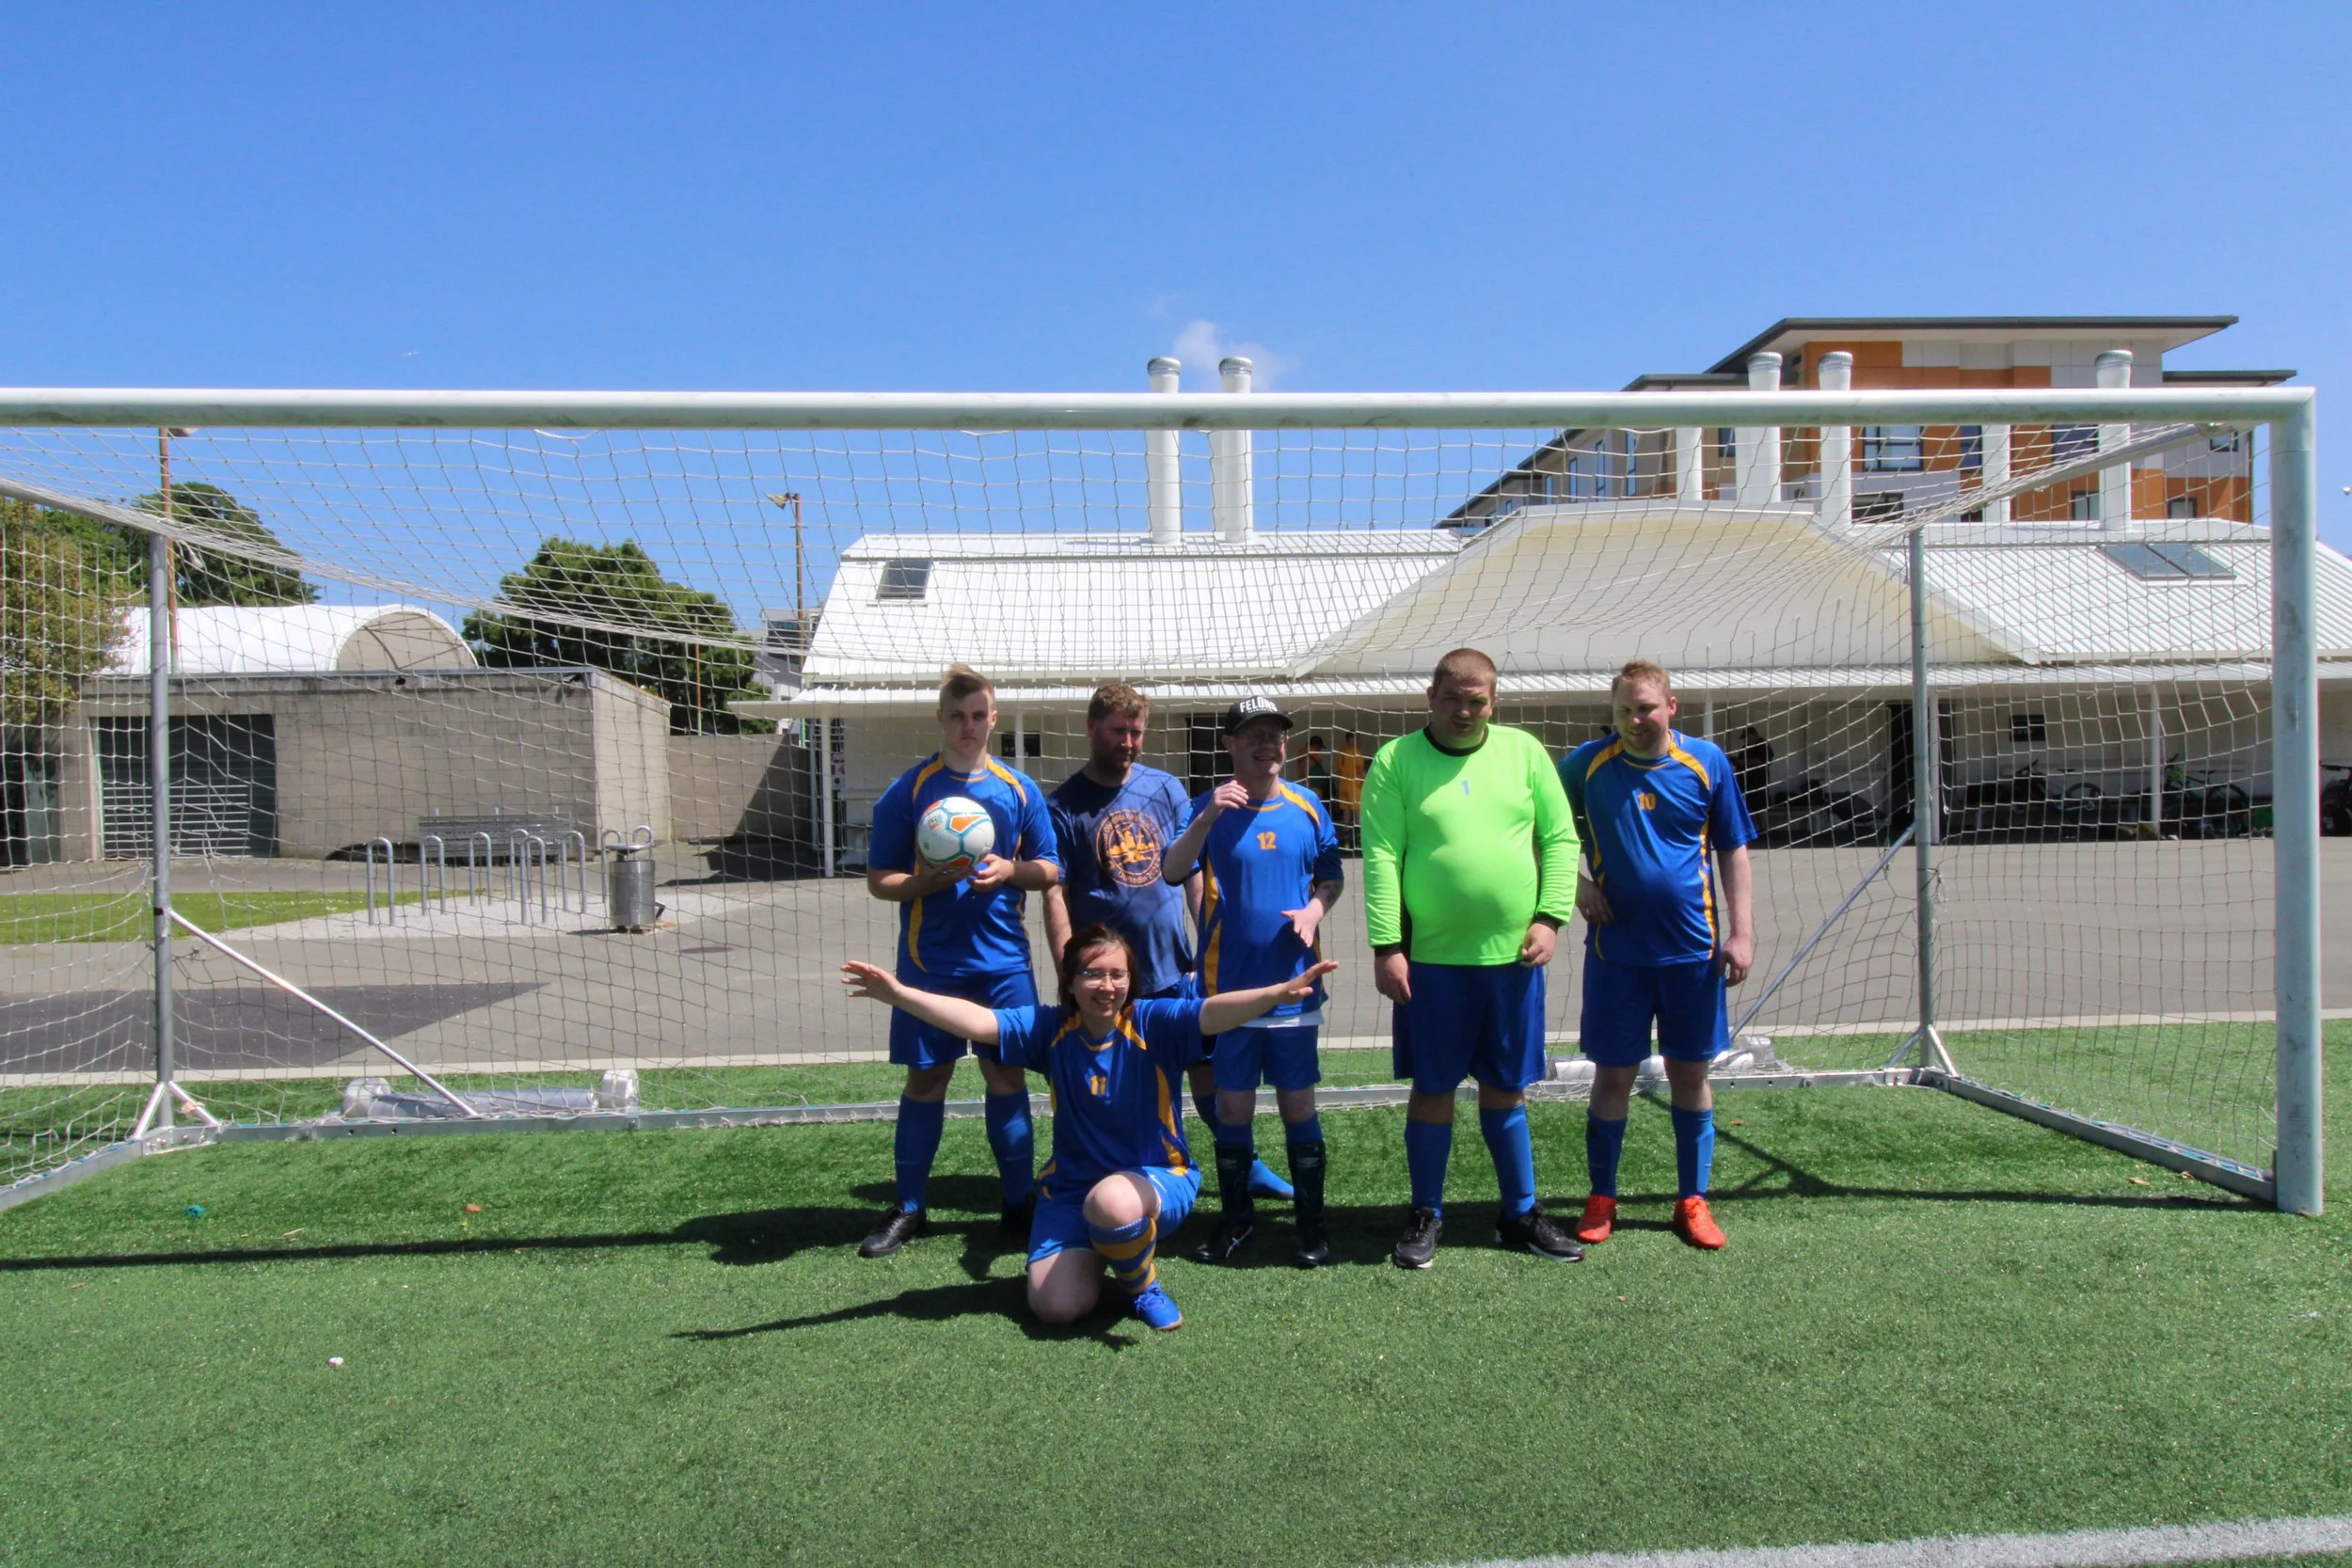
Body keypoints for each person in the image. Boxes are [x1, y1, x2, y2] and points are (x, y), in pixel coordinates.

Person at [842, 927, 1338, 1330]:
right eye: (1094, 974)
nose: (1108, 986)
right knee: (1056, 1308)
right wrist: (900, 994)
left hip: (1157, 1180)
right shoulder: (1049, 1029)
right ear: (1072, 982)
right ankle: (1114, 1248)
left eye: (1118, 975)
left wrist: (1277, 993)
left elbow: (1212, 1012)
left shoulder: (1153, 1022)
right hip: (1069, 1193)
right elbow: (979, 1023)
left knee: (1112, 1202)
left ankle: (1141, 1285)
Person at [1360, 648, 1584, 1269]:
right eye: (1453, 697)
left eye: (1477, 699)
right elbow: (1380, 856)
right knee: (1433, 1088)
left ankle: (1519, 1212)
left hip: (1511, 959)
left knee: (1505, 1088)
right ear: (1429, 695)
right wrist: (1387, 946)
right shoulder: (1395, 761)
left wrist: (1550, 916)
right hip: (1429, 961)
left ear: (1495, 699)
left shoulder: (1524, 753)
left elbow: (1561, 838)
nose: (1465, 710)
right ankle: (1426, 1210)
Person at [1041, 683, 1295, 1205]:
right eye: (1118, 731)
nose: (1129, 742)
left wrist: (1207, 941)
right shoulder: (1064, 804)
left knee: (1210, 1078)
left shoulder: (1164, 787)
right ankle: (1122, 1180)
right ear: (1092, 729)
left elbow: (1192, 869)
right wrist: (1072, 970)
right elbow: (1056, 894)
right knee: (1125, 1090)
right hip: (1112, 984)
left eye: (1137, 732)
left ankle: (1245, 1168)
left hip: (1174, 970)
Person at [858, 664, 1060, 1259]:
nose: (968, 726)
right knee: (927, 1079)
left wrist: (1010, 871)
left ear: (993, 720)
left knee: (1006, 1077)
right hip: (930, 964)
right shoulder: (911, 790)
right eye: (957, 715)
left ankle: (1019, 1203)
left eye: (978, 715)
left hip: (1002, 964)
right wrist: (923, 883)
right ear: (940, 719)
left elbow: (1050, 867)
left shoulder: (1018, 790)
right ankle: (910, 1207)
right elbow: (878, 880)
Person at [1560, 660, 1756, 1251]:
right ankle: (1602, 1199)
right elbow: (1532, 826)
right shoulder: (1587, 766)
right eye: (1623, 711)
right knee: (1613, 1077)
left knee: (1689, 1076)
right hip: (1616, 956)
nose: (1634, 721)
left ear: (1672, 706)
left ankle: (1692, 1200)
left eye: (1645, 709)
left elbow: (1733, 849)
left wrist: (1742, 933)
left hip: (1693, 954)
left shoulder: (1707, 762)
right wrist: (1574, 886)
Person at [1161, 696, 1344, 1267]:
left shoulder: (1309, 805)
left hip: (1294, 989)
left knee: (1298, 1108)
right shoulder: (1206, 808)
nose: (1268, 745)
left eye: (1276, 736)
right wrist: (1208, 815)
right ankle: (1238, 1221)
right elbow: (1171, 871)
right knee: (1234, 1110)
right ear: (1230, 745)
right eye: (1254, 736)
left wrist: (1316, 910)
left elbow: (1331, 879)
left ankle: (1311, 1228)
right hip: (1230, 995)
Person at [1333, 732, 1368, 851]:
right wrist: (1366, 784)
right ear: (1350, 739)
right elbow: (1360, 770)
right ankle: (1359, 843)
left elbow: (1338, 771)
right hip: (1354, 786)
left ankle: (1346, 843)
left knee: (1346, 817)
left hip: (1343, 786)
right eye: (1356, 738)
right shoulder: (1356, 752)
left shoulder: (1340, 752)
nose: (1358, 741)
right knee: (1358, 816)